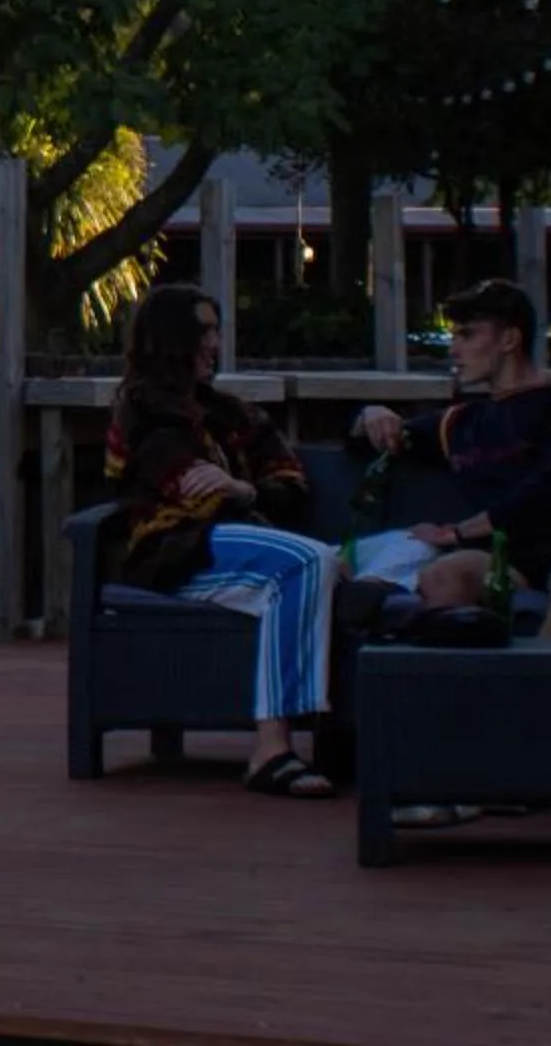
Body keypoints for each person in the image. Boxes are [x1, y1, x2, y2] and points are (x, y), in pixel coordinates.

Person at [105, 282, 344, 800]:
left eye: (216, 331)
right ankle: (272, 750)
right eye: (205, 331)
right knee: (308, 561)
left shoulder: (233, 413)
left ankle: (335, 741)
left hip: (242, 543)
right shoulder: (141, 411)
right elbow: (194, 494)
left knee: (318, 564)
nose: (215, 343)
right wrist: (245, 495)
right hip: (175, 553)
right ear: (173, 338)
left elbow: (289, 482)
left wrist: (244, 490)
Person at [351, 278, 551, 637]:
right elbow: (364, 443)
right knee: (443, 574)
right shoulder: (459, 423)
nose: (454, 350)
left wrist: (460, 531)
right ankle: (454, 670)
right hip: (507, 561)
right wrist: (369, 414)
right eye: (454, 336)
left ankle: (540, 669)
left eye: (467, 335)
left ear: (509, 339)